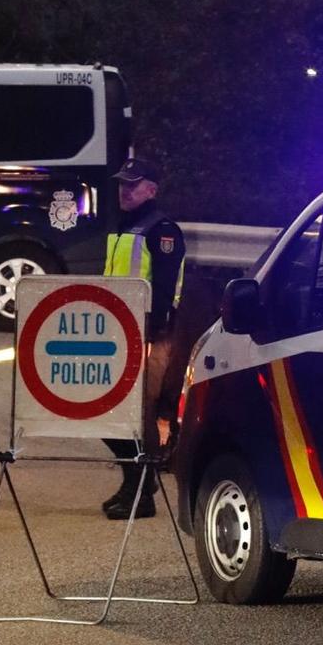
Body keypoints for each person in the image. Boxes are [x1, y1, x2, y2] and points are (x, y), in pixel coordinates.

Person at [101, 154, 185, 520]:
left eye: (133, 185)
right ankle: (137, 481)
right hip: (119, 329)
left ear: (151, 189)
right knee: (111, 410)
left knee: (134, 412)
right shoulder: (122, 227)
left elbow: (165, 286)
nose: (125, 190)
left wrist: (157, 327)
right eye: (122, 184)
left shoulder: (161, 229)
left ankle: (141, 490)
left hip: (148, 331)